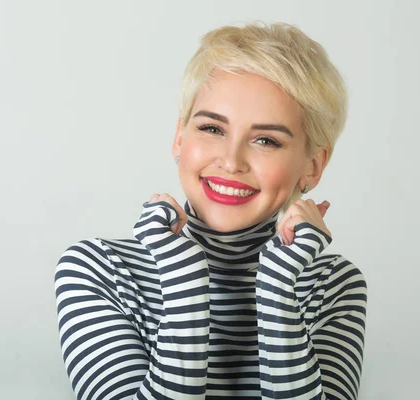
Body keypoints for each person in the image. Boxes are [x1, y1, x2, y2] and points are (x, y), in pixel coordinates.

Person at [54, 21, 368, 400]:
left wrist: (277, 293)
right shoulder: (99, 269)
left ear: (312, 166)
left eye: (266, 140)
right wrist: (185, 283)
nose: (231, 161)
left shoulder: (333, 285)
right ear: (179, 137)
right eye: (213, 129)